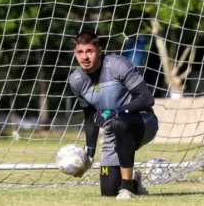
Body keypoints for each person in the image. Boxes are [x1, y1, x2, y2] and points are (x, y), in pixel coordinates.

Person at [68, 31, 159, 200]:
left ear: (99, 51)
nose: (85, 57)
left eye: (89, 51)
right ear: (75, 53)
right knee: (108, 191)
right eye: (80, 52)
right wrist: (88, 155)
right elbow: (90, 117)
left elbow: (147, 99)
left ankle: (127, 187)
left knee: (120, 122)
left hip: (143, 122)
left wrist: (117, 110)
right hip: (113, 132)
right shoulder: (76, 80)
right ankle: (135, 182)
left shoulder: (118, 65)